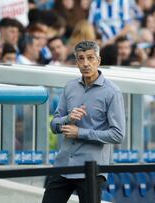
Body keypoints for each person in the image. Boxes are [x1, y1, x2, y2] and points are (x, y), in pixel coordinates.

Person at [43, 40, 126, 203]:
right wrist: (68, 119)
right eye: (81, 58)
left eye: (90, 58)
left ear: (98, 60)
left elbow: (118, 135)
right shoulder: (70, 87)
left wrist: (80, 133)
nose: (86, 63)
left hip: (91, 170)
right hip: (63, 164)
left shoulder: (112, 92)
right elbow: (54, 125)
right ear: (76, 62)